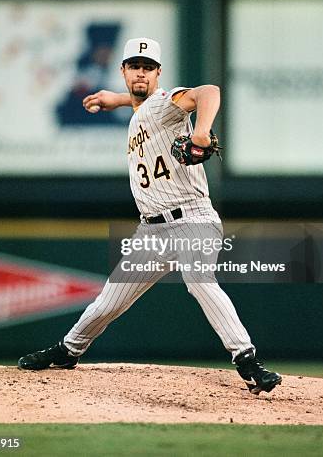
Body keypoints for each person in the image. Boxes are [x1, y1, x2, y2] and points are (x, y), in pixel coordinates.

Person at [18, 37, 282, 395]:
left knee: (199, 280)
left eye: (147, 67)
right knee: (109, 301)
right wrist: (118, 99)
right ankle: (69, 350)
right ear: (123, 71)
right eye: (134, 67)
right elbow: (143, 103)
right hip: (152, 231)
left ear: (159, 73)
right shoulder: (143, 109)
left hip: (193, 219)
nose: (140, 73)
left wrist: (201, 131)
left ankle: (247, 360)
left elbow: (209, 91)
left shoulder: (166, 102)